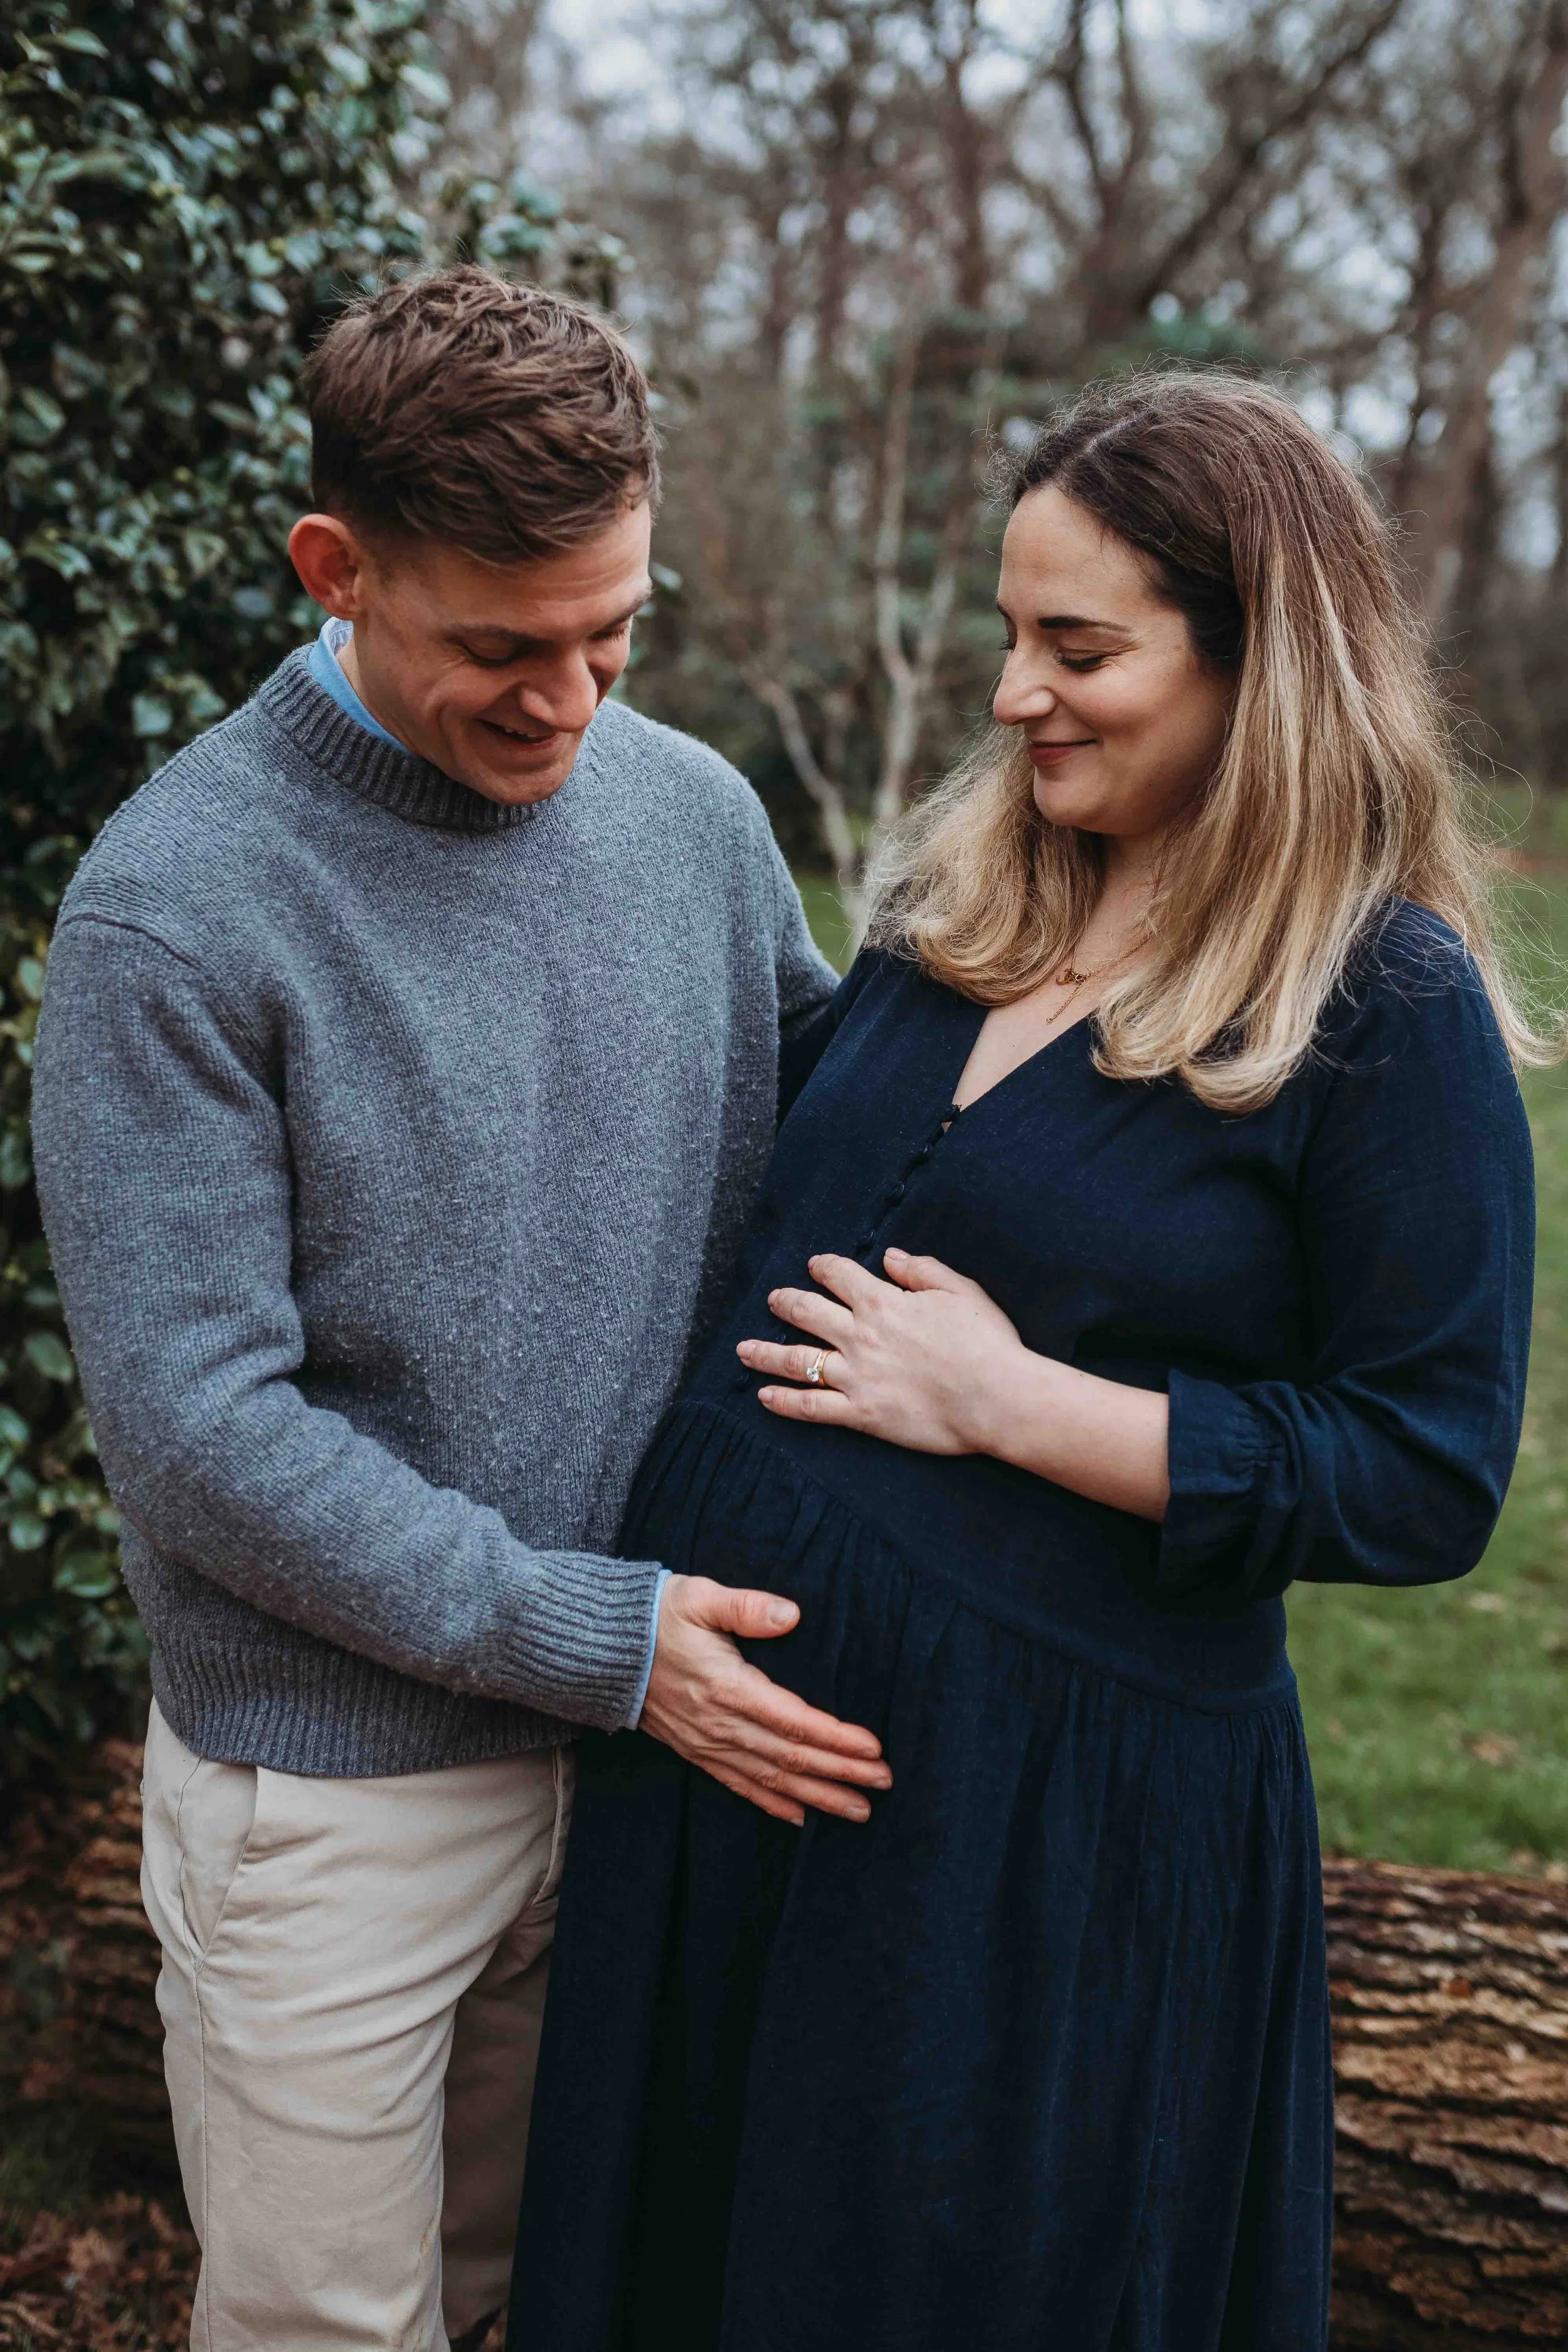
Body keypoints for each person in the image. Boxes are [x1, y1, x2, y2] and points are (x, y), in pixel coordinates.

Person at [507, 372, 1544, 2352]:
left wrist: (1009, 1404)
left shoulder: (1377, 1003)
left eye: (1079, 648)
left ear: (1264, 665)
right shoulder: (959, 906)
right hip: (723, 1789)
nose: (1013, 694)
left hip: (1023, 1847)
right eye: (1008, 635)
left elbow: (1425, 1470)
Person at [29, 266, 893, 2352]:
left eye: (616, 633)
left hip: (640, 1755)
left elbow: (840, 1168)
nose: (571, 702)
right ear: (337, 568)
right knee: (327, 2329)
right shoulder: (179, 909)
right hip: (334, 1800)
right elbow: (198, 1433)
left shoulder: (692, 820)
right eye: (501, 648)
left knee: (535, 2299)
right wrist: (600, 1641)